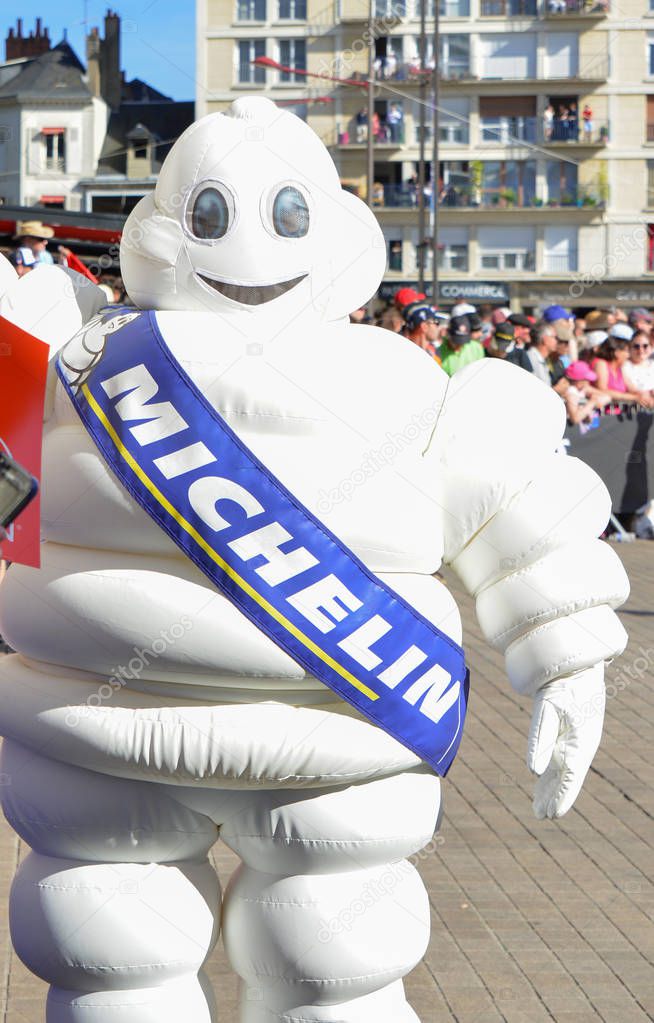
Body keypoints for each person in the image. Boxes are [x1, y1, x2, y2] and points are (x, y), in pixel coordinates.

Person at [0, 97, 630, 1023]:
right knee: (162, 961)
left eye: (284, 217)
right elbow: (512, 499)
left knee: (282, 958)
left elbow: (513, 498)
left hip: (118, 746)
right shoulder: (66, 366)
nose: (249, 240)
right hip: (263, 748)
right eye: (212, 216)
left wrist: (570, 650)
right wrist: (567, 650)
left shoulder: (77, 370)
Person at [591, 336, 653, 410]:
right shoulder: (601, 363)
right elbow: (602, 390)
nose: (628, 355)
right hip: (602, 415)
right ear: (617, 353)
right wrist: (634, 398)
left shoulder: (620, 368)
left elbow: (632, 389)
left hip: (618, 412)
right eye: (627, 351)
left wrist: (646, 396)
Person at [623, 331, 654, 397]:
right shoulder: (624, 366)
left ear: (651, 348)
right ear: (629, 349)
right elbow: (632, 390)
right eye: (636, 346)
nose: (641, 349)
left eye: (645, 346)